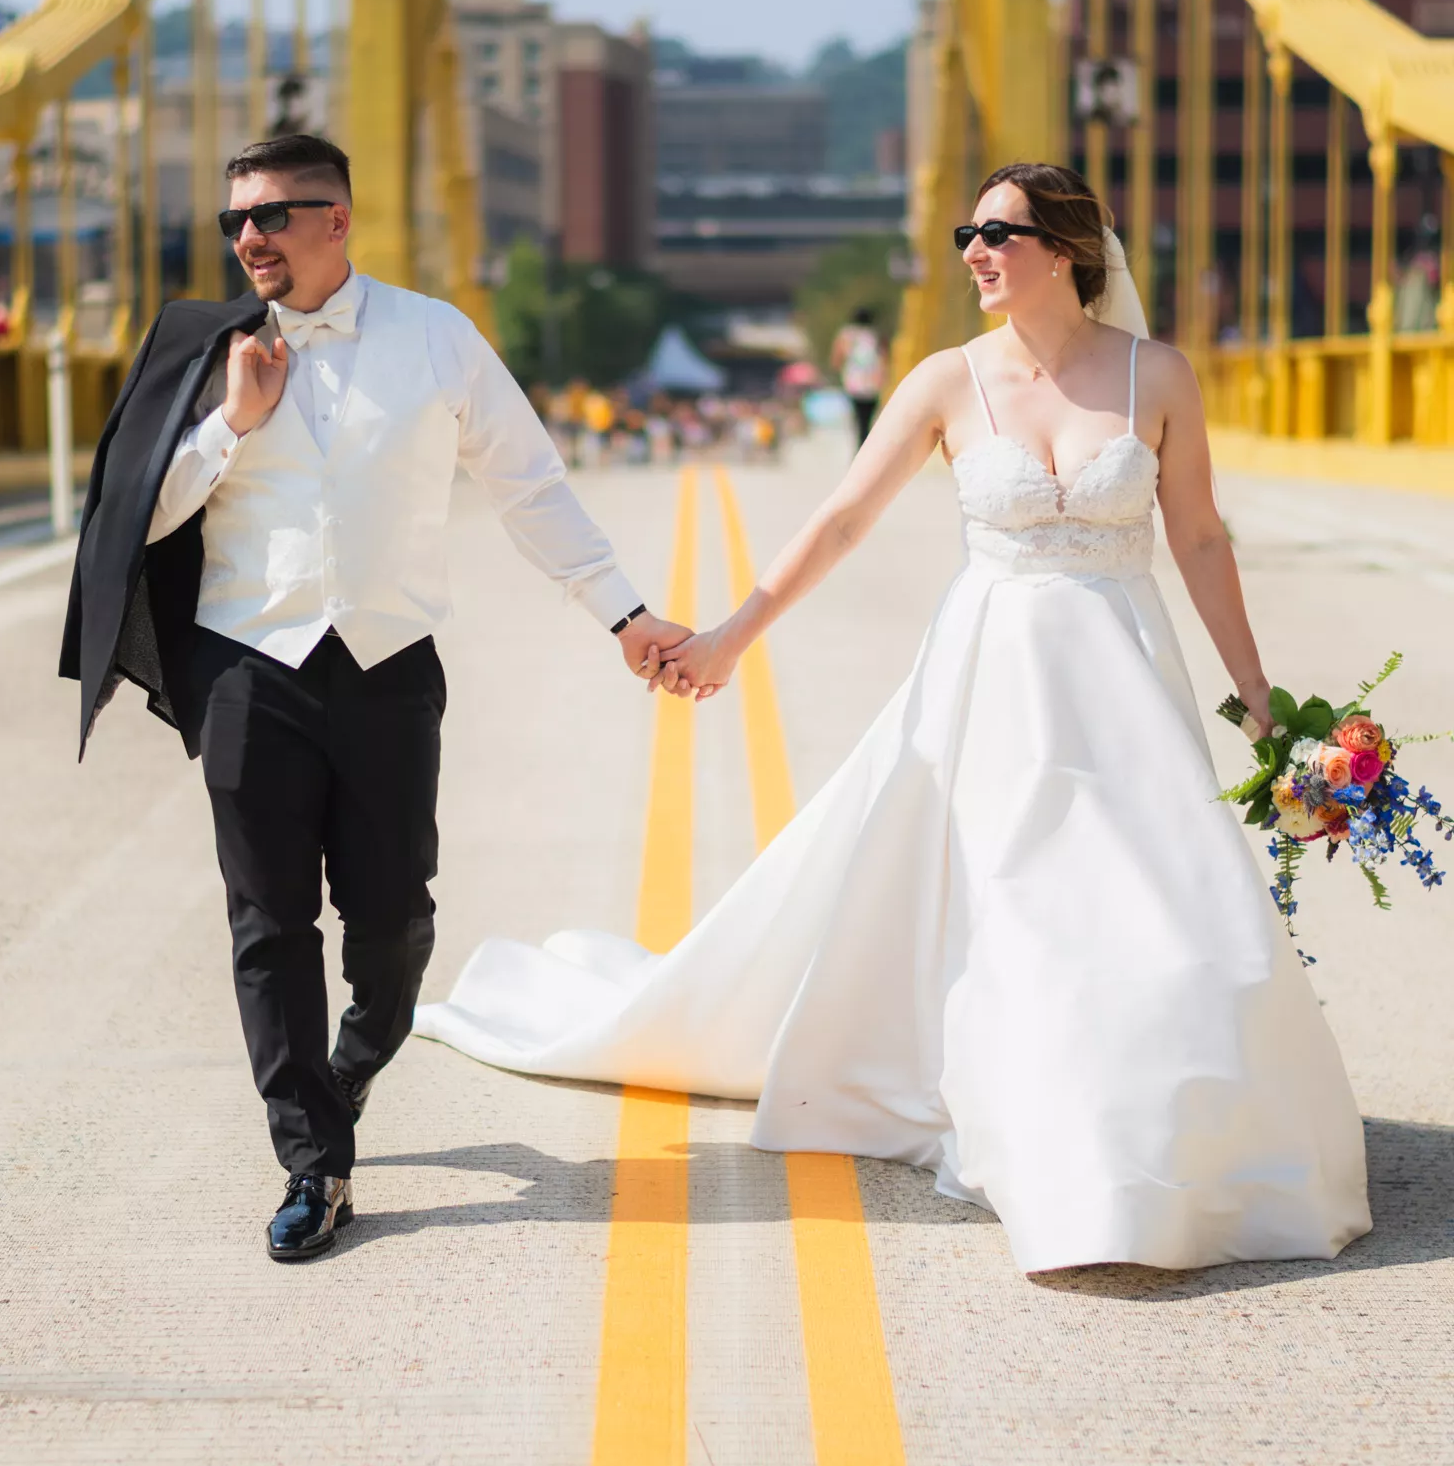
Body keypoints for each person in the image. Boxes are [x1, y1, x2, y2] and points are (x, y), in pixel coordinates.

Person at [416, 162, 1371, 1275]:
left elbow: (1201, 538)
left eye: (997, 233)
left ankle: (1178, 1123)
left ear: (1063, 248)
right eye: (966, 230)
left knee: (1158, 901)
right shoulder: (944, 381)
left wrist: (1261, 699)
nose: (972, 249)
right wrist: (729, 633)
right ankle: (1066, 1143)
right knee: (1023, 906)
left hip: (1126, 683)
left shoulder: (1158, 376)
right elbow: (842, 518)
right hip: (994, 683)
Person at [59, 133, 689, 1263]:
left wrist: (624, 614)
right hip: (248, 665)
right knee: (269, 921)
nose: (249, 238)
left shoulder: (436, 337)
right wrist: (228, 428)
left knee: (395, 918)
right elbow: (128, 524)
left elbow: (530, 484)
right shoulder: (202, 350)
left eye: (274, 215)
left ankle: (357, 1055)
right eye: (234, 220)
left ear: (337, 218)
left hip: (390, 667)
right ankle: (314, 1159)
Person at [831, 306, 887, 448]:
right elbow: (883, 357)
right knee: (868, 419)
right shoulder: (875, 335)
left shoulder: (846, 335)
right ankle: (864, 445)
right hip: (872, 383)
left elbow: (837, 358)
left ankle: (860, 448)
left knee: (858, 418)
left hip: (854, 382)